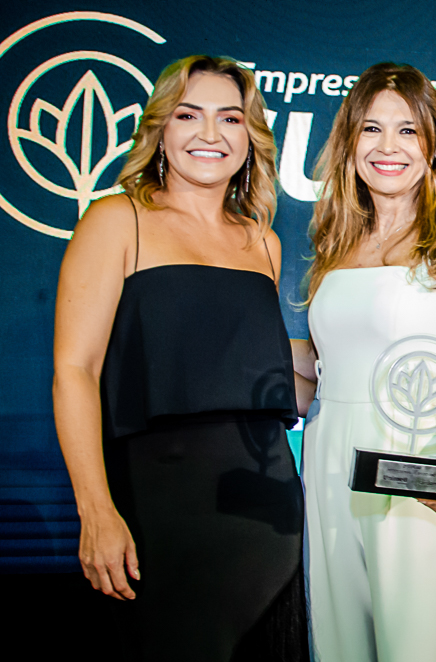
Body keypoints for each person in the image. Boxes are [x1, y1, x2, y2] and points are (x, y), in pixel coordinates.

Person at [52, 56, 306, 660]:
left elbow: (260, 378)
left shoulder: (261, 241)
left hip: (264, 510)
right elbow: (74, 372)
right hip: (152, 507)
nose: (210, 135)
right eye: (189, 115)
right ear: (160, 129)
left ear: (251, 136)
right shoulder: (118, 220)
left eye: (231, 118)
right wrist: (96, 510)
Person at [293, 62, 436, 662]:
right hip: (329, 461)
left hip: (414, 467)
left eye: (408, 131)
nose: (388, 147)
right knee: (337, 645)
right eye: (370, 129)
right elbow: (320, 369)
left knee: (414, 648)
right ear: (349, 144)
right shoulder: (338, 239)